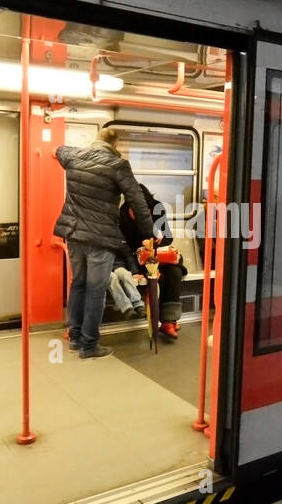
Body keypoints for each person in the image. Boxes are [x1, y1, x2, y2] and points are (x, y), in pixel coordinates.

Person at [53, 128, 154, 358]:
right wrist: (148, 232)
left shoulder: (73, 156)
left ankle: (76, 339)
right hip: (100, 237)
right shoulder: (118, 166)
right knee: (96, 290)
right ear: (115, 144)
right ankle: (89, 345)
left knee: (78, 284)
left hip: (74, 234)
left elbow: (58, 150)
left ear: (96, 140)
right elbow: (137, 202)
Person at [119, 183, 187, 340]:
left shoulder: (157, 208)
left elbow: (168, 236)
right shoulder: (123, 214)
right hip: (138, 257)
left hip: (158, 254)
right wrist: (142, 245)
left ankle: (168, 321)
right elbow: (124, 243)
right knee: (157, 276)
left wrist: (157, 242)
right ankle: (157, 319)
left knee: (175, 272)